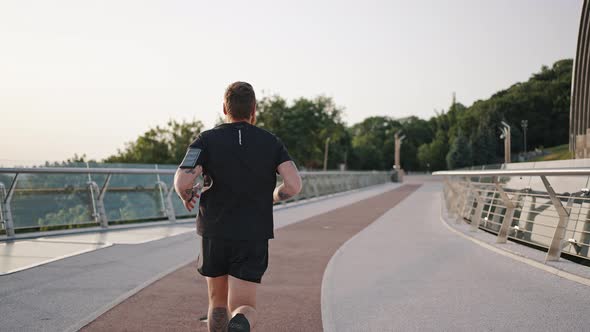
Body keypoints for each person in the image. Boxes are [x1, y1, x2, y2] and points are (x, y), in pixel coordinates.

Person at [174, 81, 302, 332]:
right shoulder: (271, 142)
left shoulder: (206, 140)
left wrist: (185, 195)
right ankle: (241, 323)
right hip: (252, 233)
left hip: (215, 231)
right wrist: (274, 196)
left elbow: (182, 180)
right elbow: (294, 185)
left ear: (225, 108)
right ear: (254, 109)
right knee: (245, 306)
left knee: (217, 304)